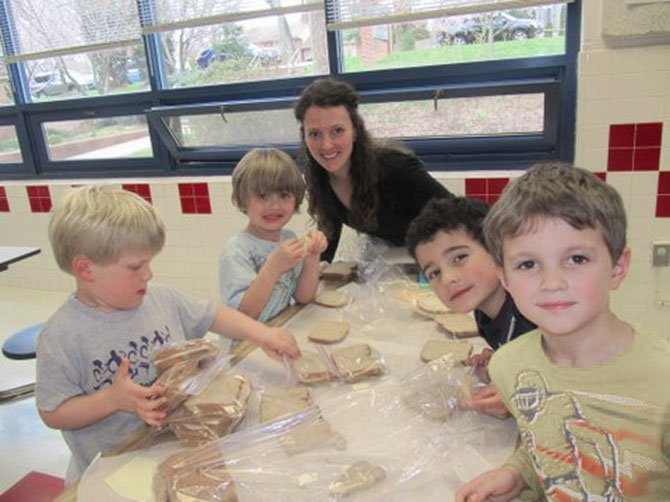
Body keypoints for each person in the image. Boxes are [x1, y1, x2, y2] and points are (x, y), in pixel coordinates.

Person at [36, 186, 300, 485]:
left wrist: (264, 334)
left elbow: (213, 314)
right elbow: (53, 412)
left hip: (172, 447)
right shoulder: (62, 336)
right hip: (113, 469)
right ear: (86, 268)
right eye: (136, 266)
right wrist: (112, 399)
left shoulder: (158, 299)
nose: (148, 274)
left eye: (149, 262)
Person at [456, 164, 670, 501]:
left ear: (618, 266)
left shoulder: (663, 383)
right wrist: (518, 472)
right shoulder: (509, 366)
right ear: (505, 278)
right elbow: (543, 436)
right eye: (528, 264)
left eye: (577, 259)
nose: (552, 283)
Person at [294, 77, 452, 262]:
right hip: (394, 259)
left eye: (337, 130)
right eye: (314, 134)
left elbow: (457, 213)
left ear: (355, 131)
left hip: (435, 256)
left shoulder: (394, 167)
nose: (326, 145)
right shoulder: (321, 177)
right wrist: (318, 267)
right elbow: (330, 230)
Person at [406, 196, 535, 419]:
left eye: (459, 258)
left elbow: (575, 386)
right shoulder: (484, 312)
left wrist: (522, 398)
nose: (448, 279)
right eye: (434, 273)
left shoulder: (536, 314)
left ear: (496, 249)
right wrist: (500, 366)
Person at [219, 148, 328, 326]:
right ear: (241, 200)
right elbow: (244, 315)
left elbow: (303, 297)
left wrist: (312, 256)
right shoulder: (236, 250)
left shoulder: (288, 238)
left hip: (281, 327)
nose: (275, 205)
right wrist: (272, 268)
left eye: (284, 195)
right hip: (248, 343)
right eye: (263, 196)